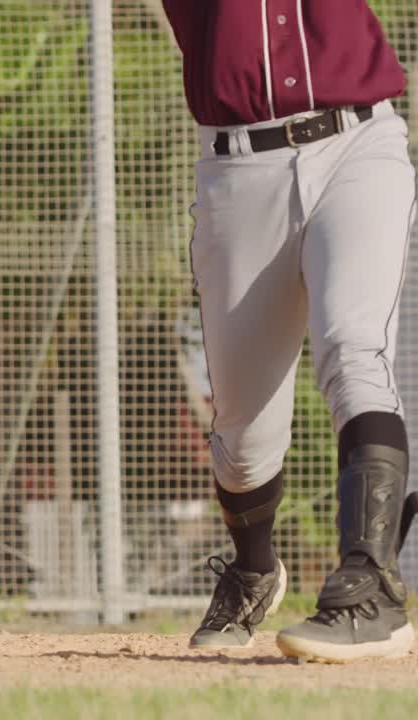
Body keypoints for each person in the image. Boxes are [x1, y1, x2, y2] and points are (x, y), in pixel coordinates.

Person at [162, 1, 417, 662]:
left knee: (355, 349)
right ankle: (253, 570)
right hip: (239, 171)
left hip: (358, 143)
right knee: (243, 440)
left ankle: (372, 587)